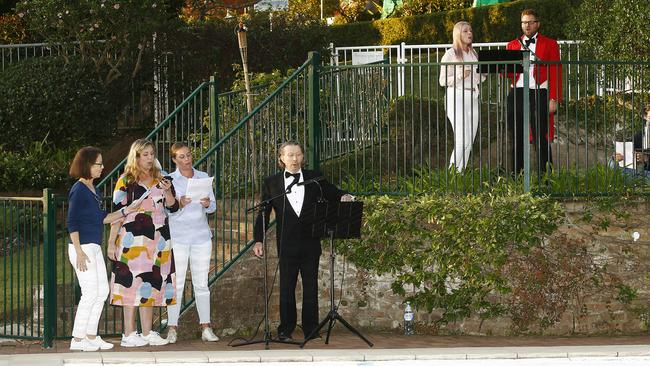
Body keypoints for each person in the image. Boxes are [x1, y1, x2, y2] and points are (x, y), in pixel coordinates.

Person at [252, 141, 354, 341]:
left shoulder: (314, 178)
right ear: (281, 158)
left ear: (303, 157)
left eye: (298, 155)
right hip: (286, 243)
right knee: (286, 288)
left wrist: (345, 197)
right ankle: (285, 330)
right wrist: (258, 240)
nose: (295, 159)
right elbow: (263, 213)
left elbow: (333, 193)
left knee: (311, 287)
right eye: (290, 155)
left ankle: (311, 329)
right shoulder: (271, 182)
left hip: (310, 241)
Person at [67, 146, 140, 351]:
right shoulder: (79, 189)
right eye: (98, 164)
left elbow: (104, 219)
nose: (102, 167)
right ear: (87, 165)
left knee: (102, 291)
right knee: (90, 292)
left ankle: (91, 335)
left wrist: (127, 210)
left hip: (94, 247)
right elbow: (71, 222)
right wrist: (79, 251)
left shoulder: (94, 190)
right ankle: (78, 339)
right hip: (82, 248)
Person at [107, 139, 178, 347]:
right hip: (133, 236)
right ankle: (129, 334)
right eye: (145, 154)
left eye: (151, 154)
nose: (149, 158)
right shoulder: (126, 181)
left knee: (151, 283)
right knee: (131, 284)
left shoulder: (161, 178)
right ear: (136, 157)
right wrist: (111, 243)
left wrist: (167, 191)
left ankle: (147, 333)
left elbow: (173, 208)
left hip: (159, 238)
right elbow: (116, 215)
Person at [165, 142, 219, 343]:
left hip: (201, 237)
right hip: (178, 237)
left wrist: (207, 203)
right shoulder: (169, 180)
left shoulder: (203, 177)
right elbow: (166, 210)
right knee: (176, 284)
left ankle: (206, 327)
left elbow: (212, 207)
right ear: (174, 159)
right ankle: (172, 328)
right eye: (181, 157)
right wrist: (180, 203)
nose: (187, 159)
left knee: (202, 284)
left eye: (188, 155)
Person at [506, 9, 562, 175]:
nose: (527, 25)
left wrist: (554, 98)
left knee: (541, 138)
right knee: (516, 137)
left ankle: (547, 178)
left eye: (530, 22)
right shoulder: (512, 45)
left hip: (539, 92)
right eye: (524, 22)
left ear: (537, 24)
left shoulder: (550, 44)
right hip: (517, 92)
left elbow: (556, 72)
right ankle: (518, 177)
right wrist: (504, 68)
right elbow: (507, 72)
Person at [439, 21, 485, 172]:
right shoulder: (450, 53)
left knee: (469, 140)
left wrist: (483, 74)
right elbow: (442, 81)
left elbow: (478, 77)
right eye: (465, 31)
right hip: (456, 97)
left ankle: (459, 175)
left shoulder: (474, 53)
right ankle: (450, 174)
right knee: (462, 139)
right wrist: (459, 75)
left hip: (473, 96)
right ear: (458, 34)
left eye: (470, 30)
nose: (470, 33)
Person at [610, 104, 650, 178]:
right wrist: (617, 156)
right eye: (649, 118)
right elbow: (628, 146)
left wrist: (646, 159)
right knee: (613, 164)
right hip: (643, 174)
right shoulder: (642, 134)